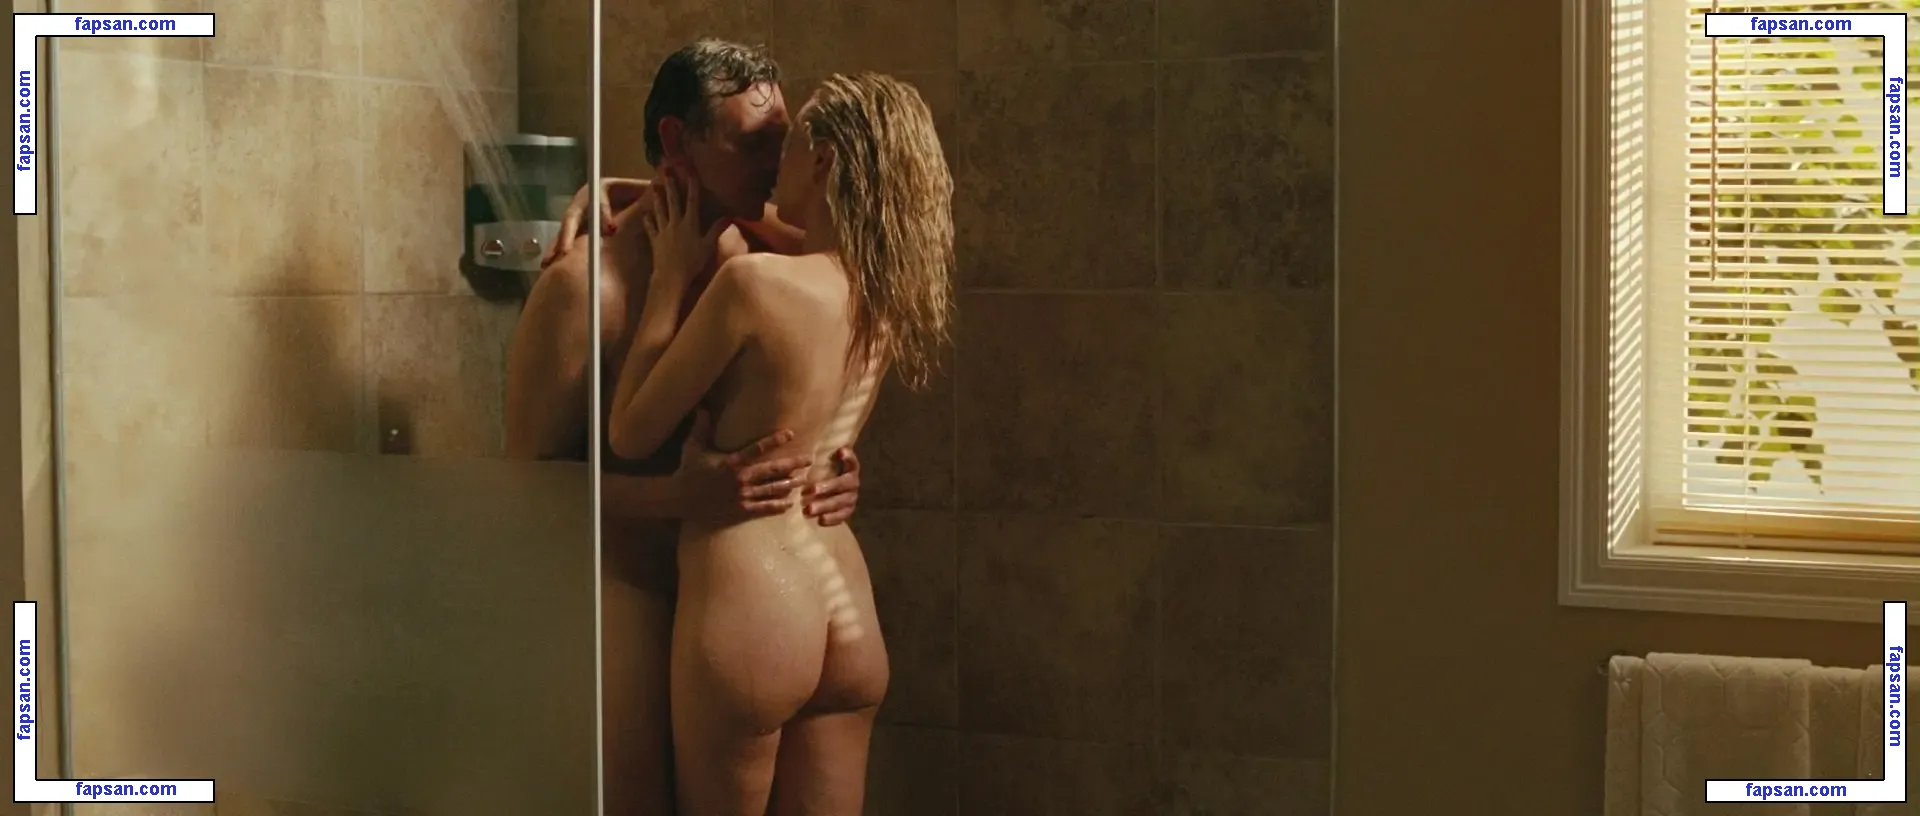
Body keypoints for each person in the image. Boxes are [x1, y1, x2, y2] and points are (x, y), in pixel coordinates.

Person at [502, 40, 868, 815]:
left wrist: (834, 460)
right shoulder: (583, 292)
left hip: (740, 599)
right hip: (628, 591)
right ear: (678, 140)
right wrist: (682, 499)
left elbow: (843, 314)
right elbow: (525, 497)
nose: (777, 166)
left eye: (782, 143)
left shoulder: (751, 247)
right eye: (754, 144)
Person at [606, 72, 952, 816]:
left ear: (821, 162)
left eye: (788, 148)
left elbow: (630, 433)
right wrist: (631, 187)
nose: (770, 170)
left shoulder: (756, 287)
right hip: (844, 604)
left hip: (756, 605)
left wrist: (668, 280)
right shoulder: (884, 298)